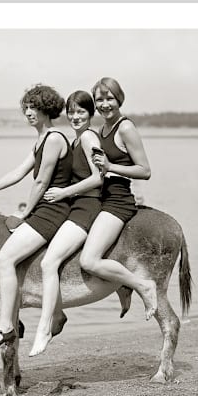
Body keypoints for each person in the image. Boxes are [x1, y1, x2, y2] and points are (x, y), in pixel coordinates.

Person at [0, 84, 73, 347]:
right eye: (26, 107)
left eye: (34, 107)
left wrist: (25, 215)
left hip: (53, 211)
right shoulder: (40, 140)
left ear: (47, 109)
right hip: (45, 209)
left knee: (4, 259)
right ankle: (25, 320)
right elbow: (18, 173)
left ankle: (6, 326)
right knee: (7, 259)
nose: (28, 112)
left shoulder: (53, 139)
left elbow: (40, 183)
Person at [28, 90, 103, 356]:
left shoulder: (89, 137)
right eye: (71, 112)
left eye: (81, 112)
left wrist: (62, 193)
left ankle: (45, 327)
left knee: (49, 262)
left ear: (91, 114)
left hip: (87, 208)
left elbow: (98, 178)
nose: (75, 117)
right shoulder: (74, 140)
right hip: (74, 207)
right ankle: (56, 315)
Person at [80, 77, 158, 319]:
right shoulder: (101, 129)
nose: (105, 104)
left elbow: (145, 170)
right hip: (100, 199)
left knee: (89, 261)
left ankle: (142, 285)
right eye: (99, 99)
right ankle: (122, 287)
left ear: (119, 99)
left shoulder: (125, 127)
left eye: (109, 98)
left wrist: (111, 165)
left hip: (118, 201)